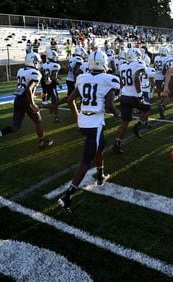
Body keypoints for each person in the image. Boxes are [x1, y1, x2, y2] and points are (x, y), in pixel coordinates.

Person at [57, 50, 120, 214]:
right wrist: (117, 113)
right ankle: (67, 196)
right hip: (95, 123)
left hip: (84, 120)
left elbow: (71, 100)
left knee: (100, 147)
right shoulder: (109, 79)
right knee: (86, 160)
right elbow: (110, 105)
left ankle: (100, 175)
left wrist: (78, 116)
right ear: (104, 63)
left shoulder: (81, 77)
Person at [0, 53, 53, 151]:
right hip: (26, 101)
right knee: (38, 121)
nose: (38, 64)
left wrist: (36, 94)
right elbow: (28, 90)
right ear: (34, 62)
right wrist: (32, 104)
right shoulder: (35, 73)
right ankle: (42, 141)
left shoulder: (21, 70)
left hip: (18, 100)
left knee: (15, 126)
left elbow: (23, 89)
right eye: (37, 62)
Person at [112, 48, 148, 153]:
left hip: (124, 96)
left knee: (124, 121)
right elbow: (136, 78)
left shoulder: (123, 65)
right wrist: (140, 94)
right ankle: (138, 126)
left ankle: (117, 143)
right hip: (134, 96)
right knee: (147, 109)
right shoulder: (139, 64)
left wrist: (120, 92)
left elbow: (122, 83)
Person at [41, 50, 62, 122]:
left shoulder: (43, 64)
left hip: (46, 85)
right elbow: (53, 77)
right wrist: (58, 82)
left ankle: (51, 110)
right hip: (52, 85)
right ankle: (56, 117)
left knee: (51, 100)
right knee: (55, 102)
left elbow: (44, 75)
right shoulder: (55, 66)